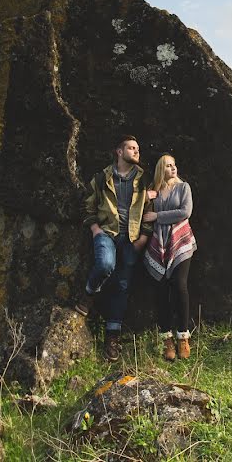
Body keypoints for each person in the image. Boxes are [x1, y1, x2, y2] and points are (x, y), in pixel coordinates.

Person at [76, 135, 154, 362]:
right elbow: (88, 204)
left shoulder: (144, 179)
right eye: (132, 148)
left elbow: (150, 209)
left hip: (131, 238)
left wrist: (144, 237)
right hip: (106, 233)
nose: (137, 151)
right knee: (105, 264)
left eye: (138, 148)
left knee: (122, 285)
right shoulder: (101, 177)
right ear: (119, 152)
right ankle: (89, 295)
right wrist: (94, 229)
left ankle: (112, 337)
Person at [143, 154, 197, 361]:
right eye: (168, 166)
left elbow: (185, 212)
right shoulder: (154, 190)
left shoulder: (184, 187)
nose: (173, 168)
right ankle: (167, 339)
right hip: (159, 242)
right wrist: (145, 200)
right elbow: (141, 211)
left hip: (180, 241)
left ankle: (183, 336)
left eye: (174, 165)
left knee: (179, 284)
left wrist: (158, 216)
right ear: (160, 169)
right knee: (160, 287)